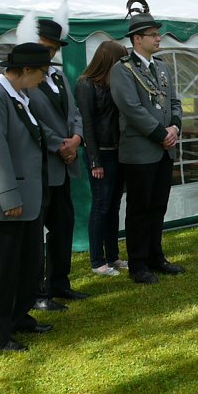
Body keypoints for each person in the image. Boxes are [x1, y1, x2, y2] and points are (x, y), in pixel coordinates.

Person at [0, 42, 56, 352]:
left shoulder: (19, 96)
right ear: (26, 70)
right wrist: (8, 197)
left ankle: (18, 318)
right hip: (8, 199)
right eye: (42, 72)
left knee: (29, 264)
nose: (44, 78)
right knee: (4, 270)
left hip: (29, 196)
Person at [110, 4, 185, 282]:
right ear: (137, 39)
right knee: (139, 210)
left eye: (157, 34)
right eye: (152, 34)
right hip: (141, 151)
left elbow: (174, 101)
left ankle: (156, 256)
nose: (158, 38)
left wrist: (175, 126)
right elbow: (131, 109)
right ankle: (138, 264)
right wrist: (161, 134)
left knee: (158, 206)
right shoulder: (122, 70)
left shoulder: (162, 67)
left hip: (164, 150)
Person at [27, 18, 86, 311]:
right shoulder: (25, 79)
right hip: (41, 167)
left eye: (53, 49)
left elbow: (75, 113)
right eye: (44, 47)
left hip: (64, 166)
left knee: (63, 227)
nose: (49, 53)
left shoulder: (60, 76)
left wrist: (76, 139)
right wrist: (59, 145)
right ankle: (37, 294)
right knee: (35, 233)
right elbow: (32, 121)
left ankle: (59, 283)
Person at [75, 40, 129, 276]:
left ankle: (113, 256)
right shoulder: (86, 84)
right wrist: (94, 160)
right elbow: (87, 125)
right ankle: (98, 261)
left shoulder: (113, 84)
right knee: (101, 206)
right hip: (101, 154)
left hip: (117, 152)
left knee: (113, 206)